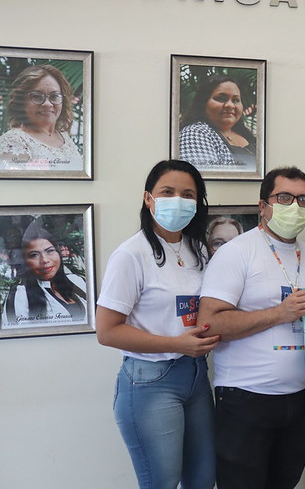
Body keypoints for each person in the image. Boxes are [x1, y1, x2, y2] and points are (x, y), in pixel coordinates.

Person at [197, 166, 305, 489]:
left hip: (300, 400)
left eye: (303, 200)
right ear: (263, 206)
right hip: (245, 399)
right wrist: (279, 313)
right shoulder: (236, 253)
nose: (295, 206)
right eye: (284, 197)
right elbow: (209, 323)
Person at [96, 159, 220, 489]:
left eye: (187, 194)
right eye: (167, 192)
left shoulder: (198, 249)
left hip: (196, 376)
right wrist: (176, 344)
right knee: (162, 482)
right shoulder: (131, 255)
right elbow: (106, 331)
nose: (178, 200)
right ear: (148, 198)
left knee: (203, 479)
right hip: (151, 380)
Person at [0, 64, 82, 171]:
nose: (48, 104)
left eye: (54, 96)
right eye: (37, 96)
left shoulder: (64, 136)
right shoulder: (12, 143)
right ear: (21, 101)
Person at [2, 226, 87, 329]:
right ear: (25, 262)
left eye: (50, 251)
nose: (45, 260)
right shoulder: (20, 295)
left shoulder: (77, 281)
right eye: (34, 255)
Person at [179, 74, 256, 170]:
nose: (230, 105)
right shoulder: (194, 133)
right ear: (203, 103)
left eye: (235, 100)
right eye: (221, 98)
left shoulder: (248, 136)